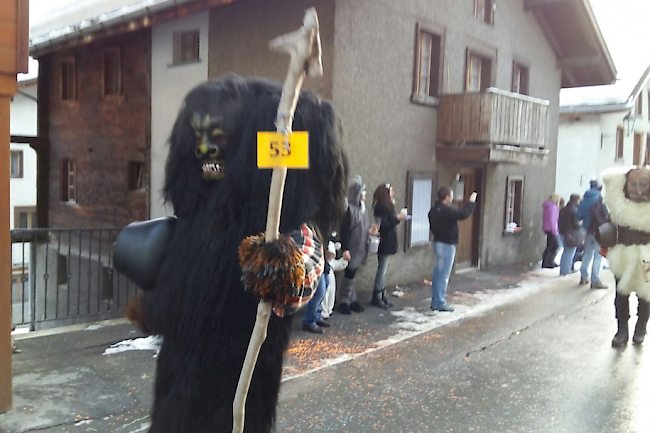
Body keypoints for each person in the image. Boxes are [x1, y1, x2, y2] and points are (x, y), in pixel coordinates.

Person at [596, 167, 650, 347]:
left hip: (647, 255)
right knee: (621, 295)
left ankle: (641, 328)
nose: (638, 189)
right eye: (633, 184)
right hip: (623, 255)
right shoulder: (620, 206)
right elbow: (612, 181)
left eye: (643, 184)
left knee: (645, 296)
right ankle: (622, 330)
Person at [428, 186, 477, 312]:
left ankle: (435, 300)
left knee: (438, 273)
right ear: (447, 197)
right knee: (443, 275)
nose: (452, 198)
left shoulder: (433, 210)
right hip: (447, 245)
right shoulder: (446, 211)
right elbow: (462, 214)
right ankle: (439, 302)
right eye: (451, 195)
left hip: (438, 243)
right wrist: (471, 203)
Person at [338, 176, 378, 314]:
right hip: (351, 248)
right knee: (349, 275)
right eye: (363, 191)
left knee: (353, 275)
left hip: (360, 248)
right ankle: (344, 301)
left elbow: (362, 227)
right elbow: (344, 231)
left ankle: (351, 300)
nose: (365, 194)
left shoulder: (363, 209)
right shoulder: (350, 210)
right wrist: (345, 249)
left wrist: (370, 232)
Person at [370, 183, 408, 309]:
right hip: (384, 241)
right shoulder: (380, 206)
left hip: (388, 240)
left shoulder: (386, 205)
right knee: (382, 269)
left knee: (383, 269)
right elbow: (384, 225)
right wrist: (398, 218)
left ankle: (381, 294)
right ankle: (377, 295)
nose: (393, 193)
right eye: (391, 191)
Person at [576, 180, 608, 289]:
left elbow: (578, 216)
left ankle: (584, 276)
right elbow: (606, 215)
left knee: (587, 254)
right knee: (598, 256)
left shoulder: (583, 200)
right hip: (599, 231)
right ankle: (595, 280)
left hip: (588, 231)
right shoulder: (600, 200)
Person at [320, 239, 348, 319]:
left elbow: (339, 265)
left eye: (332, 254)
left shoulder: (332, 262)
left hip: (331, 281)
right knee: (324, 295)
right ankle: (323, 312)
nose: (330, 256)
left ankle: (329, 309)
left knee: (331, 294)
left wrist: (344, 260)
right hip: (325, 279)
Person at [558, 194, 582, 276]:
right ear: (577, 200)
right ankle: (566, 270)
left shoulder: (564, 209)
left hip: (562, 232)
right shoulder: (574, 210)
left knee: (566, 252)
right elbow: (576, 223)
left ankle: (563, 269)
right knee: (569, 253)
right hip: (570, 234)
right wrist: (580, 225)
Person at [541, 193, 561, 269]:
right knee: (553, 246)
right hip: (551, 228)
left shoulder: (547, 206)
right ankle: (548, 262)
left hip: (547, 227)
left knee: (551, 246)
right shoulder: (553, 207)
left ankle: (548, 261)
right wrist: (555, 231)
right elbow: (553, 220)